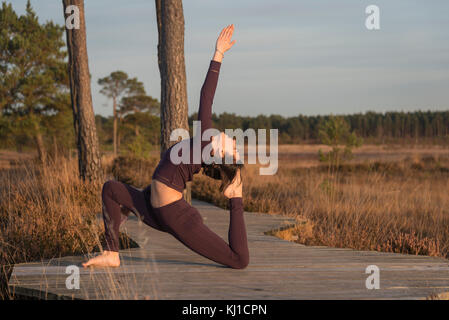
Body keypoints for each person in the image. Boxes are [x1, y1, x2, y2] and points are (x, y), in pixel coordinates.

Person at [83, 24, 249, 270]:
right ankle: (111, 253)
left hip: (177, 217)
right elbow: (167, 176)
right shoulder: (200, 146)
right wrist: (130, 205)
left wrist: (219, 54)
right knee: (111, 189)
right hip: (153, 208)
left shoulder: (206, 143)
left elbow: (206, 96)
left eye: (234, 149)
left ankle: (236, 199)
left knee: (238, 261)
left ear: (219, 154)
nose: (234, 142)